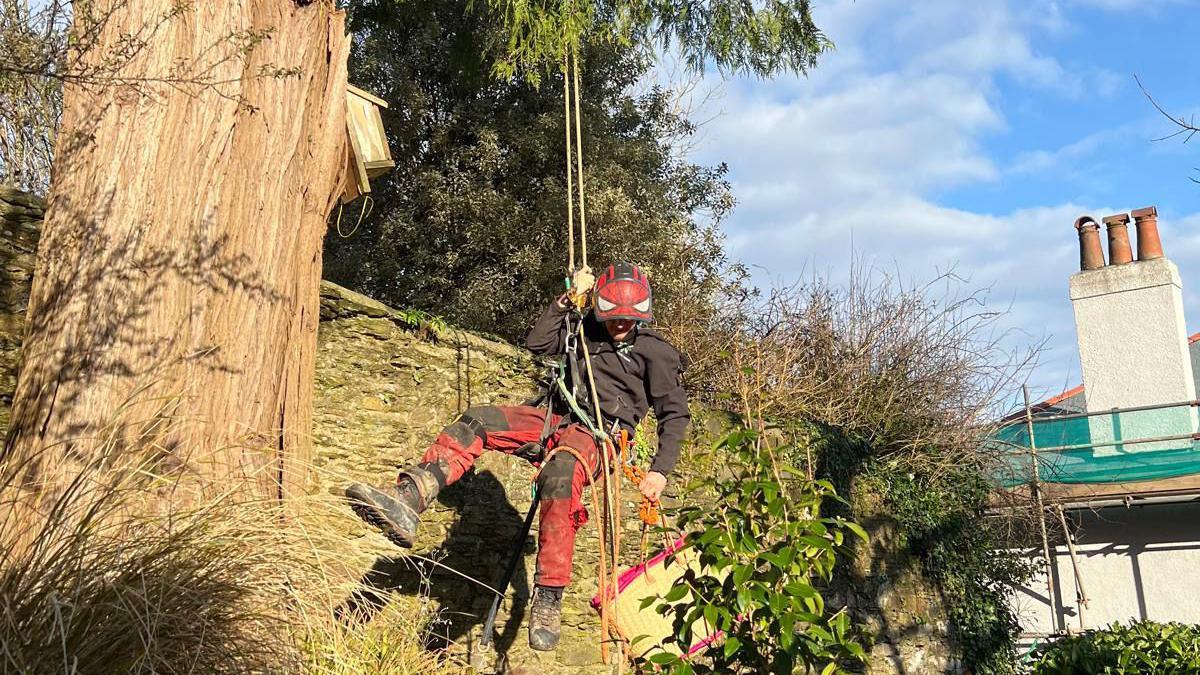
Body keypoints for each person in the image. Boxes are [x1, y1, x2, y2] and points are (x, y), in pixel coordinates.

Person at [345, 262, 690, 651]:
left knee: (560, 474)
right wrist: (566, 300)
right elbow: (538, 344)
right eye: (613, 318)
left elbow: (674, 415)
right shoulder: (582, 327)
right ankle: (409, 497)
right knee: (479, 420)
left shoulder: (656, 354)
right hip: (553, 420)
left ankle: (549, 594)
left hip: (598, 438)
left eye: (628, 319)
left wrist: (660, 472)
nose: (620, 325)